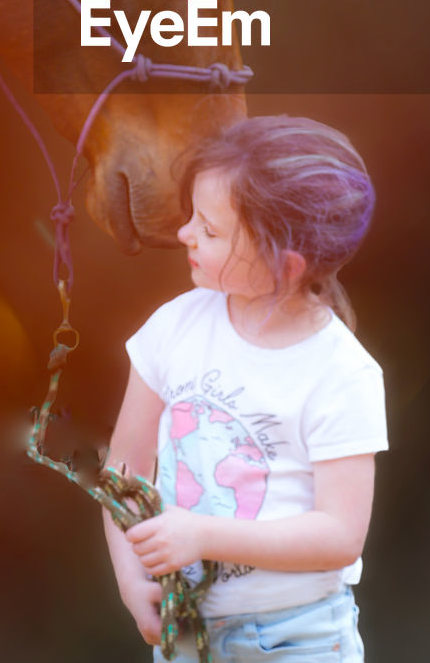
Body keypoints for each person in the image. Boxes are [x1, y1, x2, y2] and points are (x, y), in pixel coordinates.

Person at [102, 115, 388, 661]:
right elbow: (124, 471)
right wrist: (130, 580)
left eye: (210, 231)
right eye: (193, 218)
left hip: (299, 638)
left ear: (285, 263)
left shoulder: (341, 374)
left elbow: (339, 534)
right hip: (188, 632)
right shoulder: (174, 328)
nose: (186, 233)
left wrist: (202, 535)